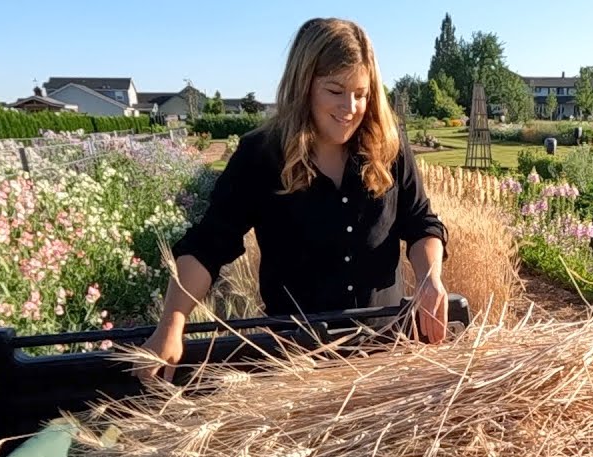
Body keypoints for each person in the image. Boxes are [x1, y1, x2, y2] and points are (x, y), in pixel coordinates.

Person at [139, 17, 450, 382]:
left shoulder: (389, 148)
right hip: (296, 363)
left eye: (361, 93)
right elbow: (208, 245)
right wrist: (172, 323)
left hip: (385, 351)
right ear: (304, 86)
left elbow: (420, 223)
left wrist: (430, 280)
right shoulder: (260, 156)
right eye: (334, 90)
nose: (350, 106)